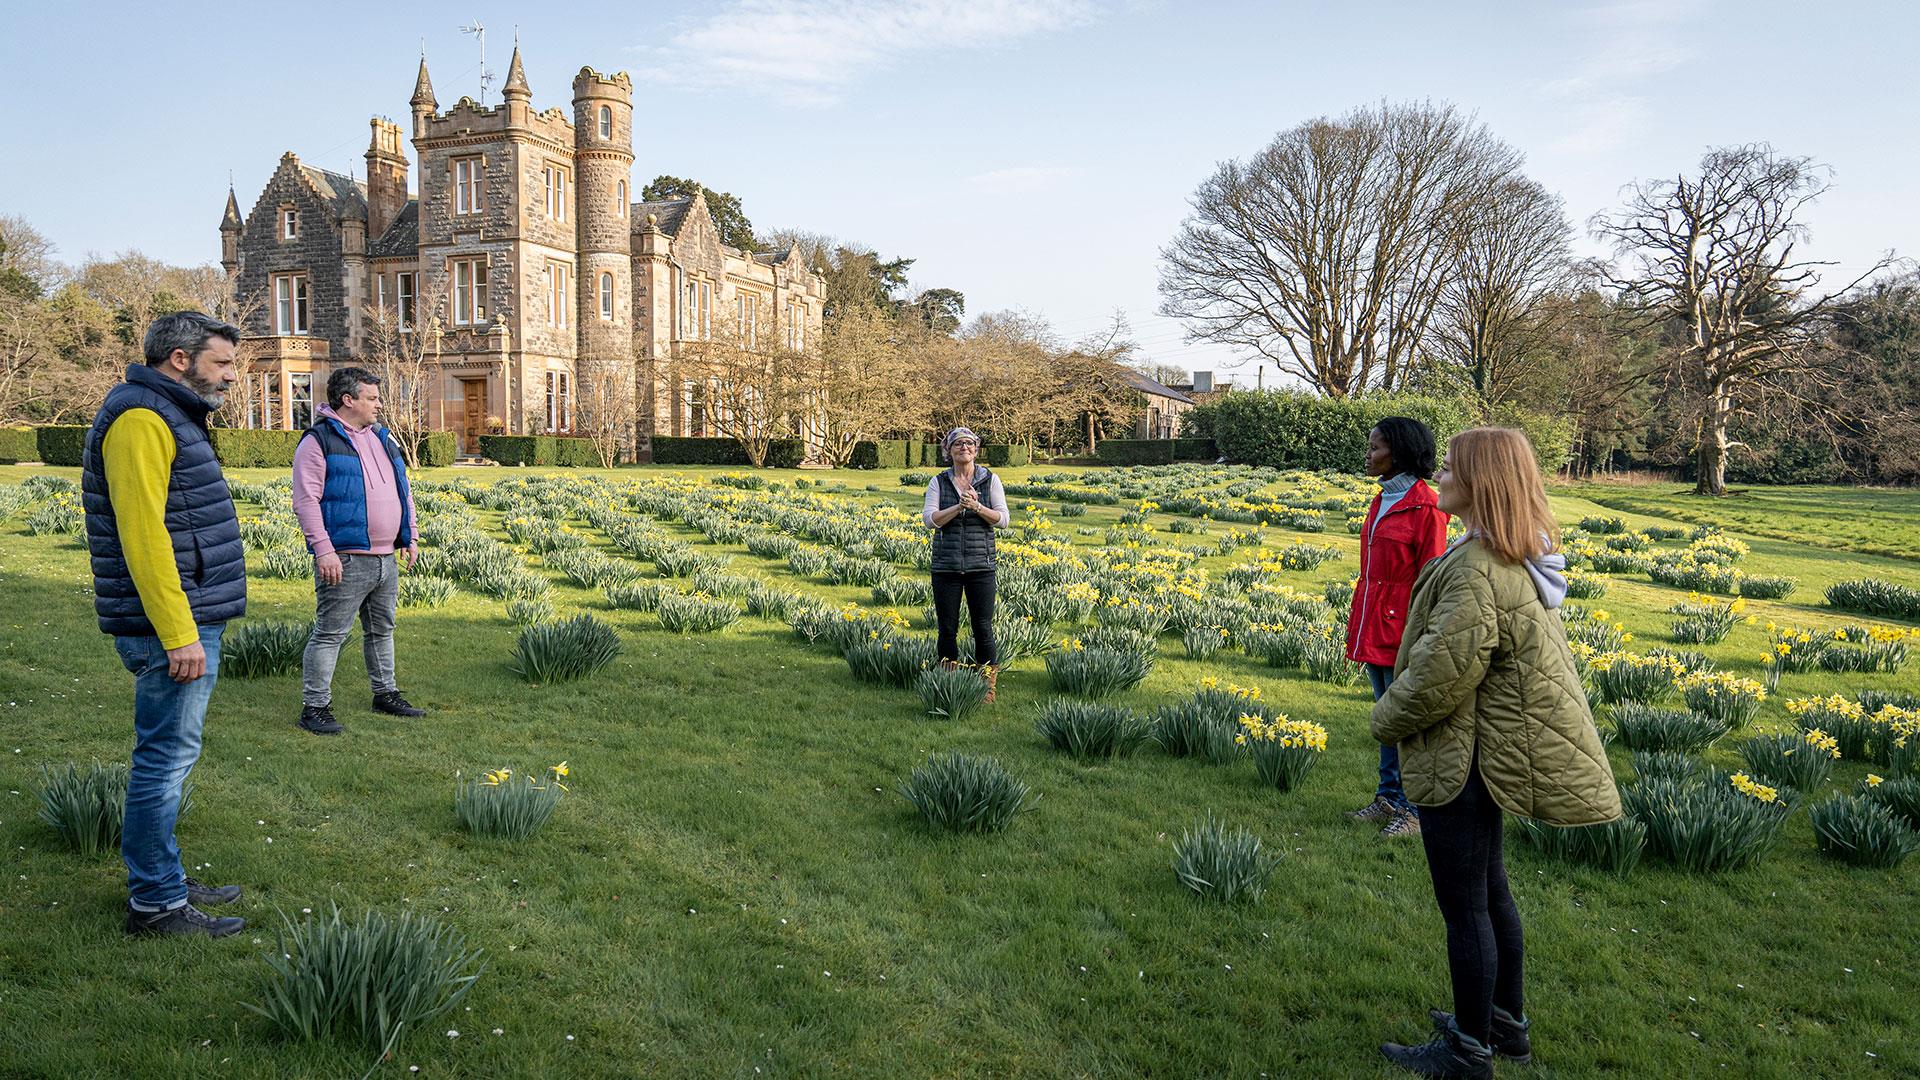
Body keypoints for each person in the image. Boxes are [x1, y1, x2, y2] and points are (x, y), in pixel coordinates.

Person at [1370, 427, 1622, 1079]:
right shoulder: (1510, 553)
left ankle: (1468, 1052)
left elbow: (1440, 674)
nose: (1442, 474)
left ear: (1484, 481)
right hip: (1490, 753)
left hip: (1467, 758)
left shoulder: (1482, 567)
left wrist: (1385, 718)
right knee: (1490, 891)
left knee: (1466, 907)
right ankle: (1504, 1024)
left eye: (1453, 467)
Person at [81, 312, 250, 938]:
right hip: (170, 627)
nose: (232, 377)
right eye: (223, 364)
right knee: (163, 760)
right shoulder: (142, 419)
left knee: (171, 757)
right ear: (179, 359)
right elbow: (143, 535)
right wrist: (178, 633)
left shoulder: (167, 412)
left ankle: (164, 876)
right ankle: (155, 903)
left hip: (186, 615)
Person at [292, 367, 423, 736]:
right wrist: (324, 551)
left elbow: (404, 489)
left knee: (382, 630)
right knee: (330, 633)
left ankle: (385, 694)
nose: (378, 404)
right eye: (372, 398)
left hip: (385, 557)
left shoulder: (383, 438)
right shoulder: (318, 441)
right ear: (348, 400)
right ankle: (314, 707)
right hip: (345, 559)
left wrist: (409, 537)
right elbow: (305, 501)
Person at [1345, 417, 1449, 839]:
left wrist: (1421, 635)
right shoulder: (1381, 500)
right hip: (1373, 620)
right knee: (1386, 715)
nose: (1368, 456)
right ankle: (1388, 796)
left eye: (1375, 448)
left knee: (1405, 719)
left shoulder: (1426, 507)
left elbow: (1432, 578)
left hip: (1403, 627)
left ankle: (1414, 810)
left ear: (1399, 452)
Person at [921, 427, 1009, 702]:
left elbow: (1004, 520)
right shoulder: (939, 482)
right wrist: (958, 507)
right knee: (947, 627)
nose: (964, 448)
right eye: (958, 444)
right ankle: (948, 684)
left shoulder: (990, 480)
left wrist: (976, 508)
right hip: (946, 565)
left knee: (983, 627)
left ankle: (987, 688)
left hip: (980, 565)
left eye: (969, 443)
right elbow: (930, 520)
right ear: (949, 450)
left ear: (976, 449)